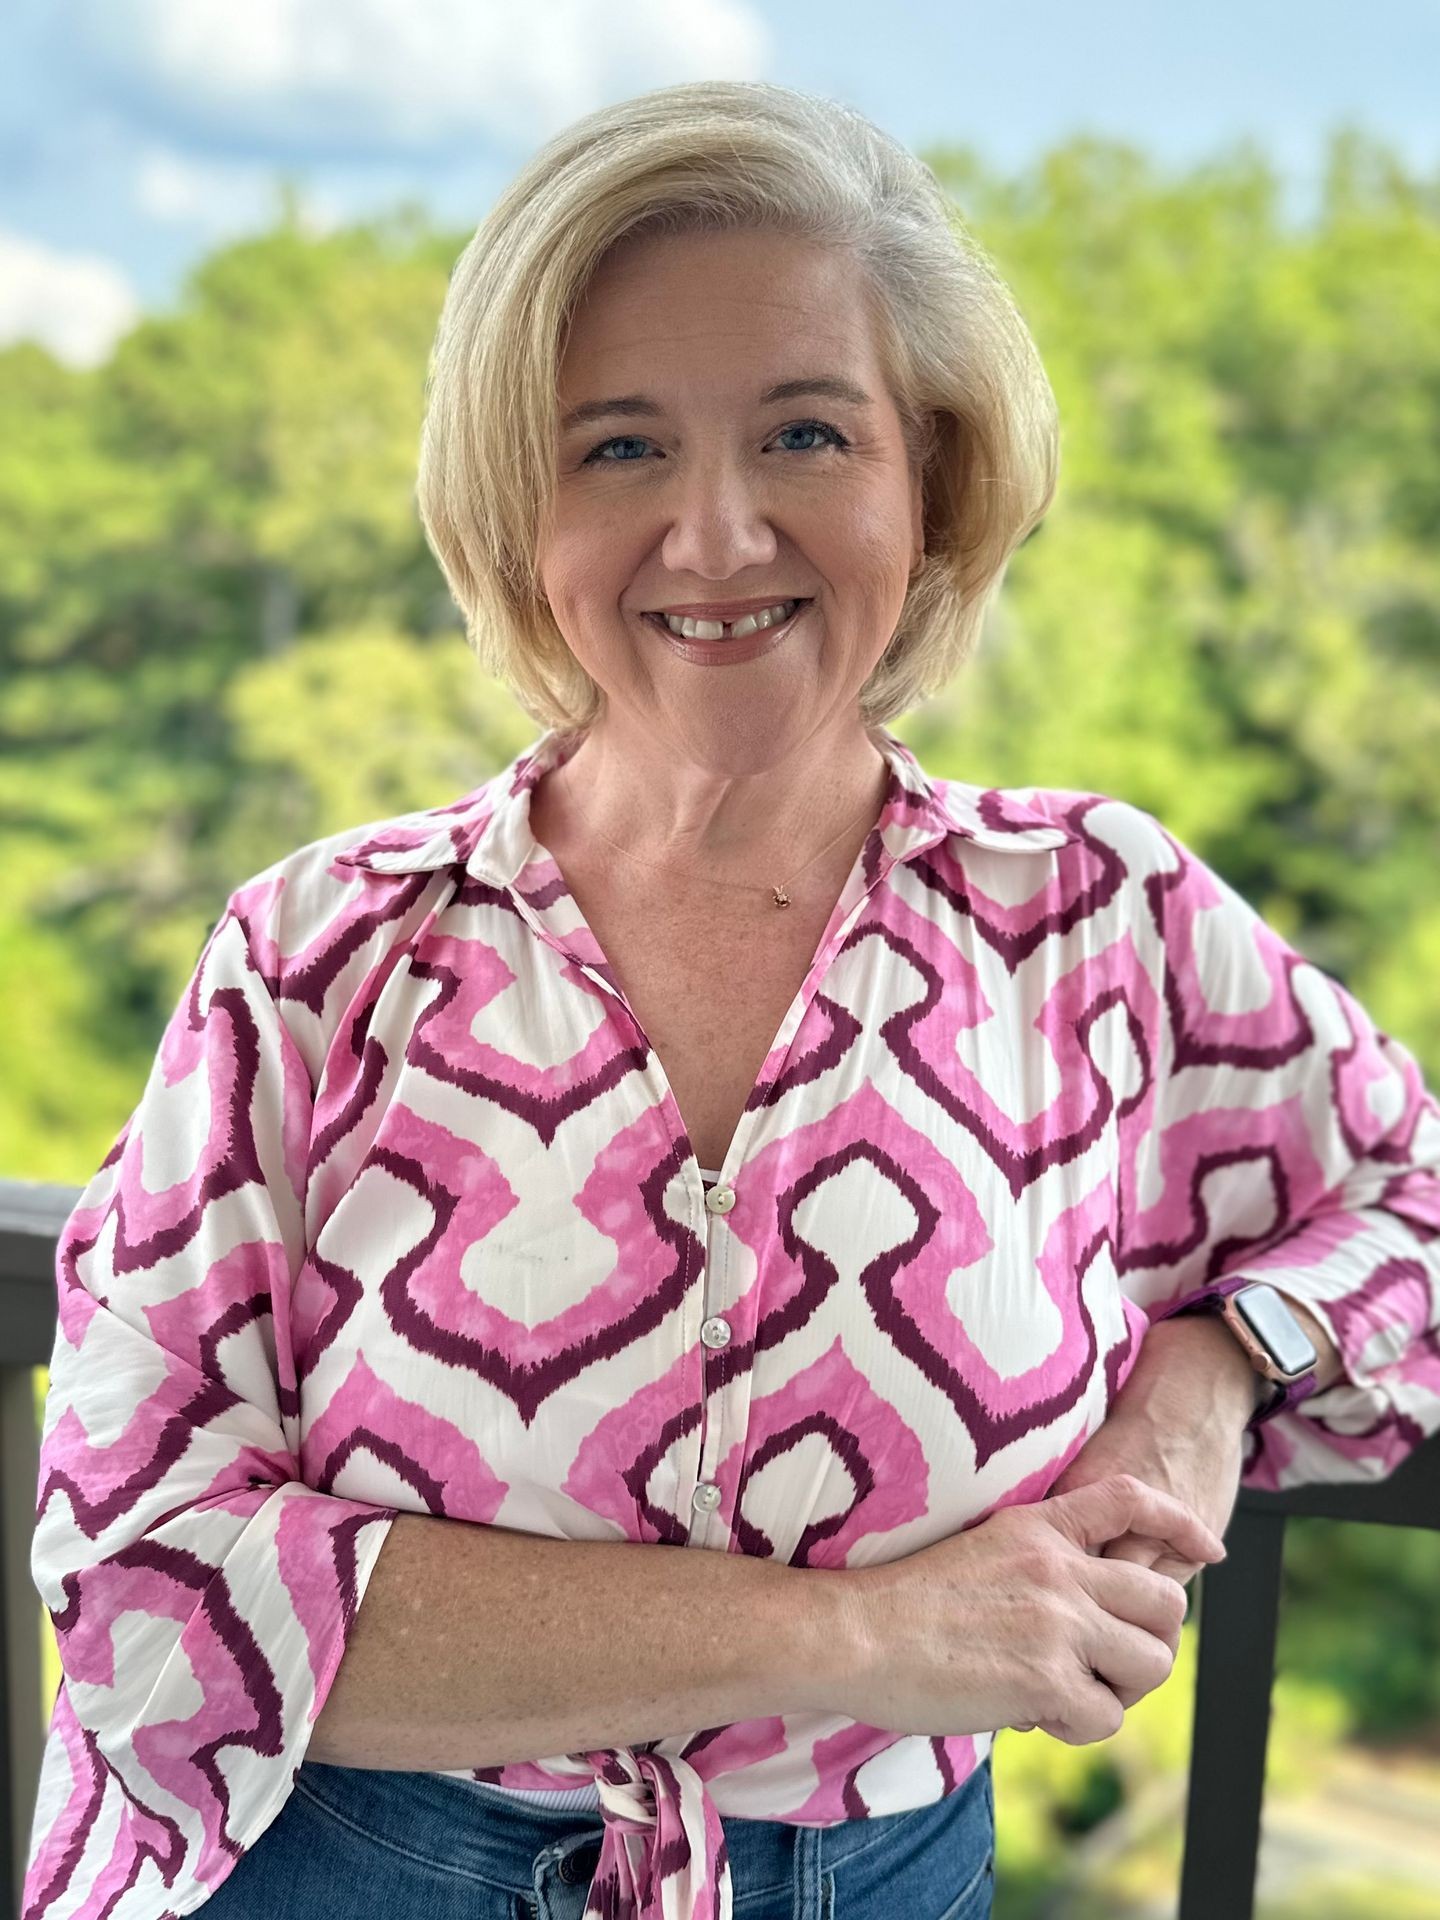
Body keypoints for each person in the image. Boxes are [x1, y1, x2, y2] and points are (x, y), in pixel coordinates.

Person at [21, 77, 1440, 1920]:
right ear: (516, 512)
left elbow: (1409, 1196)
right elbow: (142, 1586)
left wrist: (1214, 1371)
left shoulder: (1099, 921)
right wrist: (860, 1639)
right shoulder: (321, 957)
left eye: (804, 434)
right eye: (618, 448)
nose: (714, 537)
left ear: (926, 480)